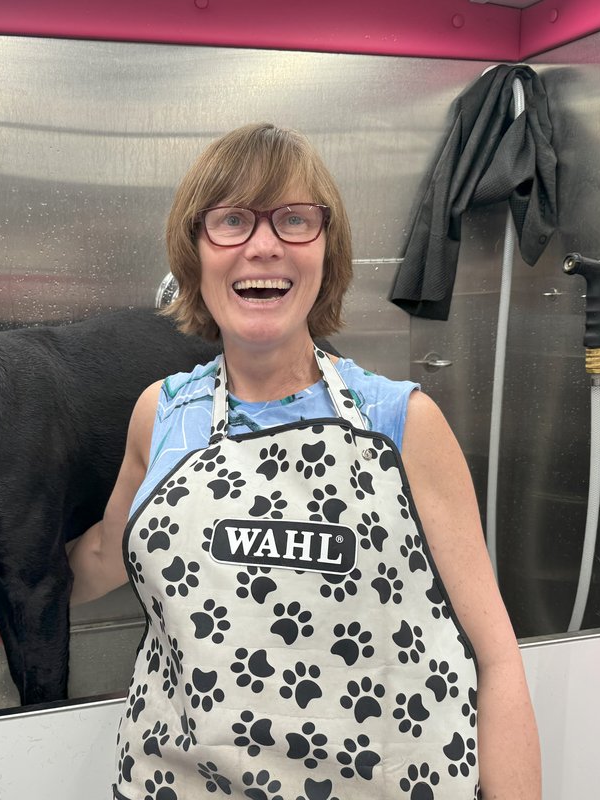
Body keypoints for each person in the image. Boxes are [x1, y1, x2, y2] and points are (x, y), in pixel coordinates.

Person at [68, 122, 541, 799]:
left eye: (294, 220)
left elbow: (495, 658)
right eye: (231, 221)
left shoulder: (401, 424)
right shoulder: (163, 413)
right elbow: (105, 555)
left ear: (327, 251)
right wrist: (19, 588)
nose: (263, 245)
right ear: (195, 254)